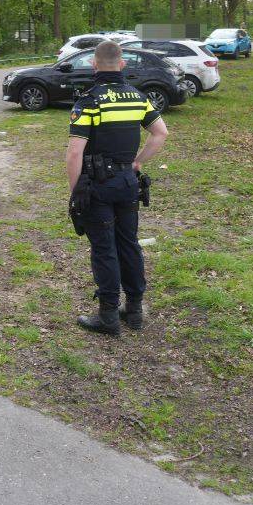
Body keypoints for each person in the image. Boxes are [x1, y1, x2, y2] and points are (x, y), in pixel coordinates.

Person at [66, 40, 168, 336]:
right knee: (129, 244)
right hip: (127, 183)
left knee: (104, 248)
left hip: (97, 187)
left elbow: (74, 153)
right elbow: (160, 133)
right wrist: (137, 163)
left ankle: (108, 316)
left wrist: (75, 192)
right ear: (122, 64)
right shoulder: (137, 97)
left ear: (94, 65)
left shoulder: (89, 101)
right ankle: (134, 310)